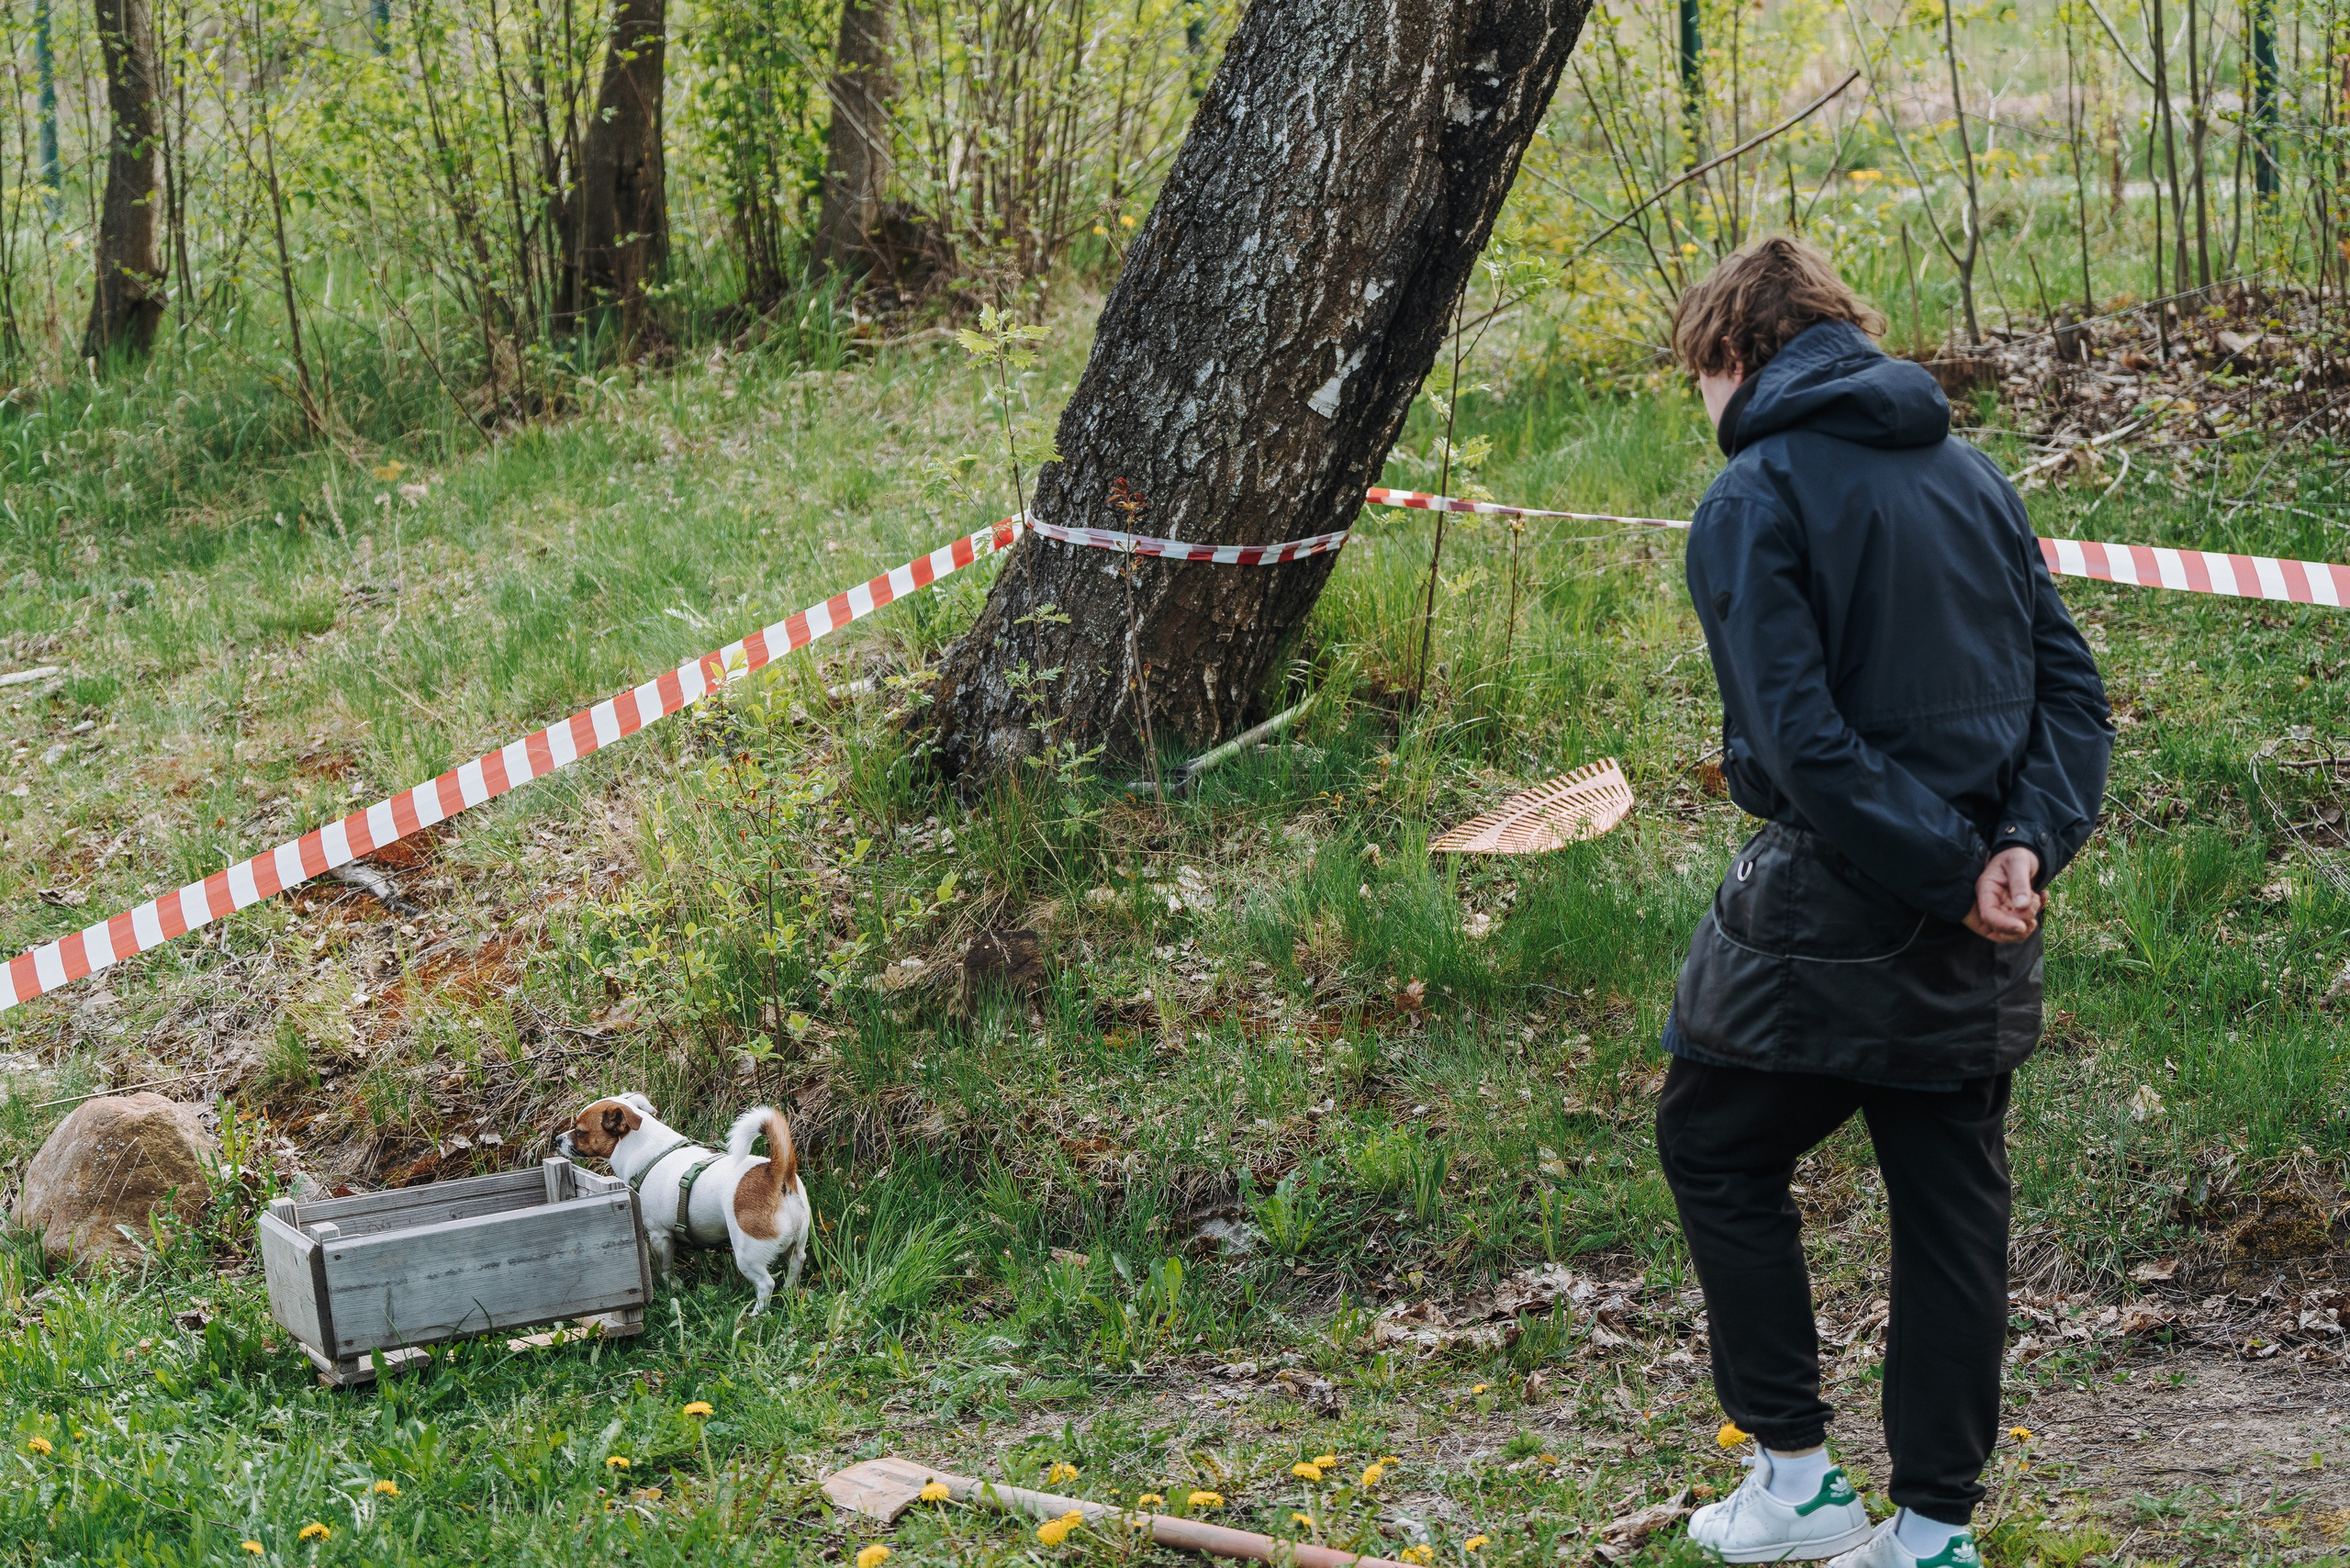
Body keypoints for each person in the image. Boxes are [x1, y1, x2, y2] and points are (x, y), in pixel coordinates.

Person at [1659, 238, 2114, 1568]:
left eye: (1701, 374)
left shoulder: (1756, 494)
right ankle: (1930, 1535)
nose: (1704, 401)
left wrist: (1954, 868)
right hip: (1985, 913)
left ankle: (1795, 1483)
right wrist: (2021, 850)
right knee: (1952, 1201)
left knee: (1713, 1140)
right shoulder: (1973, 477)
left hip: (1841, 913)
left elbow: (1796, 743)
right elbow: (2072, 698)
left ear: (1734, 356)